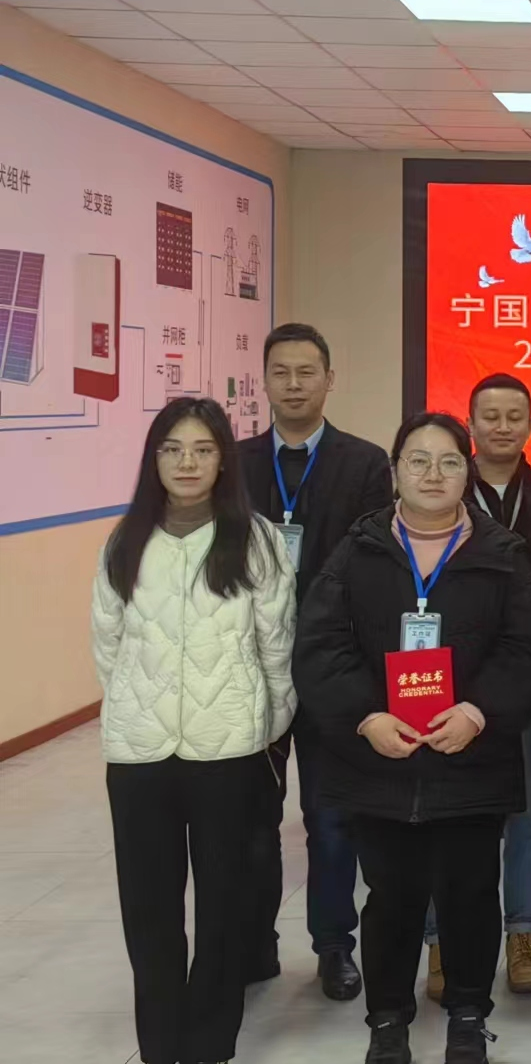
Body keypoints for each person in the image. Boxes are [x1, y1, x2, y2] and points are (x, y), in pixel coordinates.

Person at [293, 413, 531, 1064]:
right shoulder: (358, 550)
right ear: (395, 472)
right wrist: (367, 717)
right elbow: (321, 645)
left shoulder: (502, 554)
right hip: (381, 758)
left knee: (471, 893)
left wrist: (478, 712)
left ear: (468, 473)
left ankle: (468, 1016)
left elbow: (529, 648)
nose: (433, 474)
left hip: (471, 755)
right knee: (391, 898)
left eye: (448, 461)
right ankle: (388, 1022)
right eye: (418, 460)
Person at [93, 397, 296, 1064]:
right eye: (173, 449)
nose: (187, 462)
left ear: (223, 460)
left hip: (230, 749)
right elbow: (108, 642)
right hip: (140, 754)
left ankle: (210, 1043)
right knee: (148, 907)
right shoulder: (125, 539)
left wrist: (265, 726)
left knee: (224, 903)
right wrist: (135, 706)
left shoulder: (256, 539)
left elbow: (276, 645)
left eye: (203, 449)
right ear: (154, 459)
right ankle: (160, 1043)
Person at [239, 321, 392, 1000]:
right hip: (251, 667)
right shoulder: (236, 463)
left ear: (331, 379)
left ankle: (334, 946)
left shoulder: (365, 463)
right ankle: (254, 943)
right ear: (264, 381)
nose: (294, 384)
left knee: (331, 819)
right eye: (282, 372)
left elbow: (371, 564)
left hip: (335, 666)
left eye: (307, 372)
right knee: (252, 818)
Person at [417, 373, 531, 1001]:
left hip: (526, 682)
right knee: (447, 815)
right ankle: (440, 940)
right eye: (491, 415)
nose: (503, 426)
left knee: (530, 815)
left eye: (515, 416)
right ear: (470, 424)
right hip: (447, 685)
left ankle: (523, 933)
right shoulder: (445, 490)